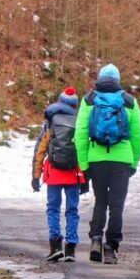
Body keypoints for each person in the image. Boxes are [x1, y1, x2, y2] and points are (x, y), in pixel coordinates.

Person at [75, 64, 140, 265]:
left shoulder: (89, 100)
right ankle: (111, 248)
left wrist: (84, 165)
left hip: (96, 159)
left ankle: (96, 240)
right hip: (122, 159)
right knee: (117, 206)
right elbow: (137, 137)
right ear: (118, 80)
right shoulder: (129, 101)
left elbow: (80, 135)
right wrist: (134, 162)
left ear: (99, 78)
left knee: (100, 201)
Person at [31, 87, 89, 262]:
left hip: (54, 173)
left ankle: (55, 245)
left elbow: (40, 150)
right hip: (73, 173)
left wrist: (35, 175)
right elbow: (84, 149)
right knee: (72, 210)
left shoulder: (51, 121)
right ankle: (71, 248)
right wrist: (86, 177)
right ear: (75, 104)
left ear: (60, 102)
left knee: (53, 209)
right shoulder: (79, 120)